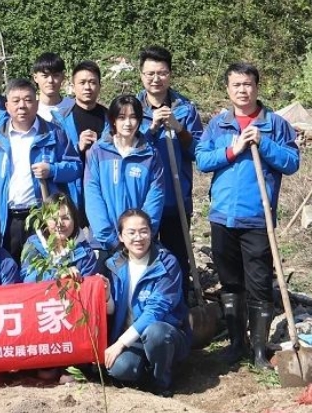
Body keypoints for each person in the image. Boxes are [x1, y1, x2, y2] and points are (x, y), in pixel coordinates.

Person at [195, 62, 299, 368]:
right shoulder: (219, 125)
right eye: (236, 85)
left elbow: (291, 162)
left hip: (257, 218)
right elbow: (202, 160)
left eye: (248, 84)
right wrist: (233, 149)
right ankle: (236, 344)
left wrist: (263, 143)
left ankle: (259, 350)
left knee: (259, 284)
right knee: (230, 283)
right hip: (222, 216)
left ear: (257, 87)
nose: (242, 90)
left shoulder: (275, 125)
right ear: (228, 89)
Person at [0, 79, 81, 260]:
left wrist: (53, 170)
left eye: (28, 100)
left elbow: (75, 167)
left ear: (37, 104)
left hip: (43, 216)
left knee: (46, 267)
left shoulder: (54, 133)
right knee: (11, 268)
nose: (22, 106)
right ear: (7, 106)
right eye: (16, 101)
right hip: (9, 218)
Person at [136, 46, 204, 285]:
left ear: (170, 74)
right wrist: (151, 129)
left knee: (177, 259)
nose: (156, 79)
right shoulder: (131, 109)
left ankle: (181, 303)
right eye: (150, 73)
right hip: (142, 199)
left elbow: (199, 153)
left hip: (176, 199)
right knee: (143, 258)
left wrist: (180, 129)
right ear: (141, 75)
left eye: (162, 73)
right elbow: (126, 149)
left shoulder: (185, 108)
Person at [104, 209, 190, 397]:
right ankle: (145, 373)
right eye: (131, 232)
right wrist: (107, 296)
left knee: (155, 332)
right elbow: (113, 310)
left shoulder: (166, 263)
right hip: (132, 339)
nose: (138, 238)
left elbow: (155, 311)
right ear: (121, 237)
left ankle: (162, 381)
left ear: (151, 233)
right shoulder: (114, 265)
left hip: (166, 334)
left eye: (143, 231)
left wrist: (120, 343)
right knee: (120, 369)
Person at [84, 94, 164, 260]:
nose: (127, 123)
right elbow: (92, 196)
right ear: (113, 120)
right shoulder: (98, 152)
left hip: (139, 243)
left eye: (133, 117)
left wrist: (139, 235)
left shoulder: (150, 155)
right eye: (121, 117)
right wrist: (111, 239)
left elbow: (155, 199)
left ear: (140, 120)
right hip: (104, 243)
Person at [54, 61, 111, 213]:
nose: (87, 87)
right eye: (82, 82)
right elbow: (55, 158)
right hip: (72, 192)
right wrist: (77, 148)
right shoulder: (60, 120)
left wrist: (101, 143)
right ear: (73, 86)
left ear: (99, 86)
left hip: (104, 190)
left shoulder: (111, 118)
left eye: (92, 82)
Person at [20, 193, 97, 282]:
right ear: (45, 221)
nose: (59, 224)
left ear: (74, 220)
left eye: (65, 218)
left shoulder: (86, 253)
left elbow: (89, 285)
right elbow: (27, 278)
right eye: (54, 218)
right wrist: (56, 274)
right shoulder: (33, 245)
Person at [32, 52, 75, 123]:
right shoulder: (30, 111)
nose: (50, 80)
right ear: (35, 78)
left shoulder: (73, 107)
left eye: (55, 75)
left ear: (63, 76)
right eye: (45, 76)